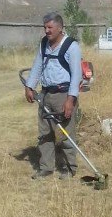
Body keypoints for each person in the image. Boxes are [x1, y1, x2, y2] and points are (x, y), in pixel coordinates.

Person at [24, 12, 82, 179]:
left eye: (50, 27)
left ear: (60, 28)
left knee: (66, 134)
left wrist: (70, 100)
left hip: (64, 95)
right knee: (45, 133)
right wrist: (29, 86)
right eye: (45, 27)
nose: (47, 31)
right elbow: (37, 66)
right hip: (46, 94)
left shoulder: (71, 46)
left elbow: (76, 76)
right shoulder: (44, 44)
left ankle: (70, 168)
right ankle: (46, 167)